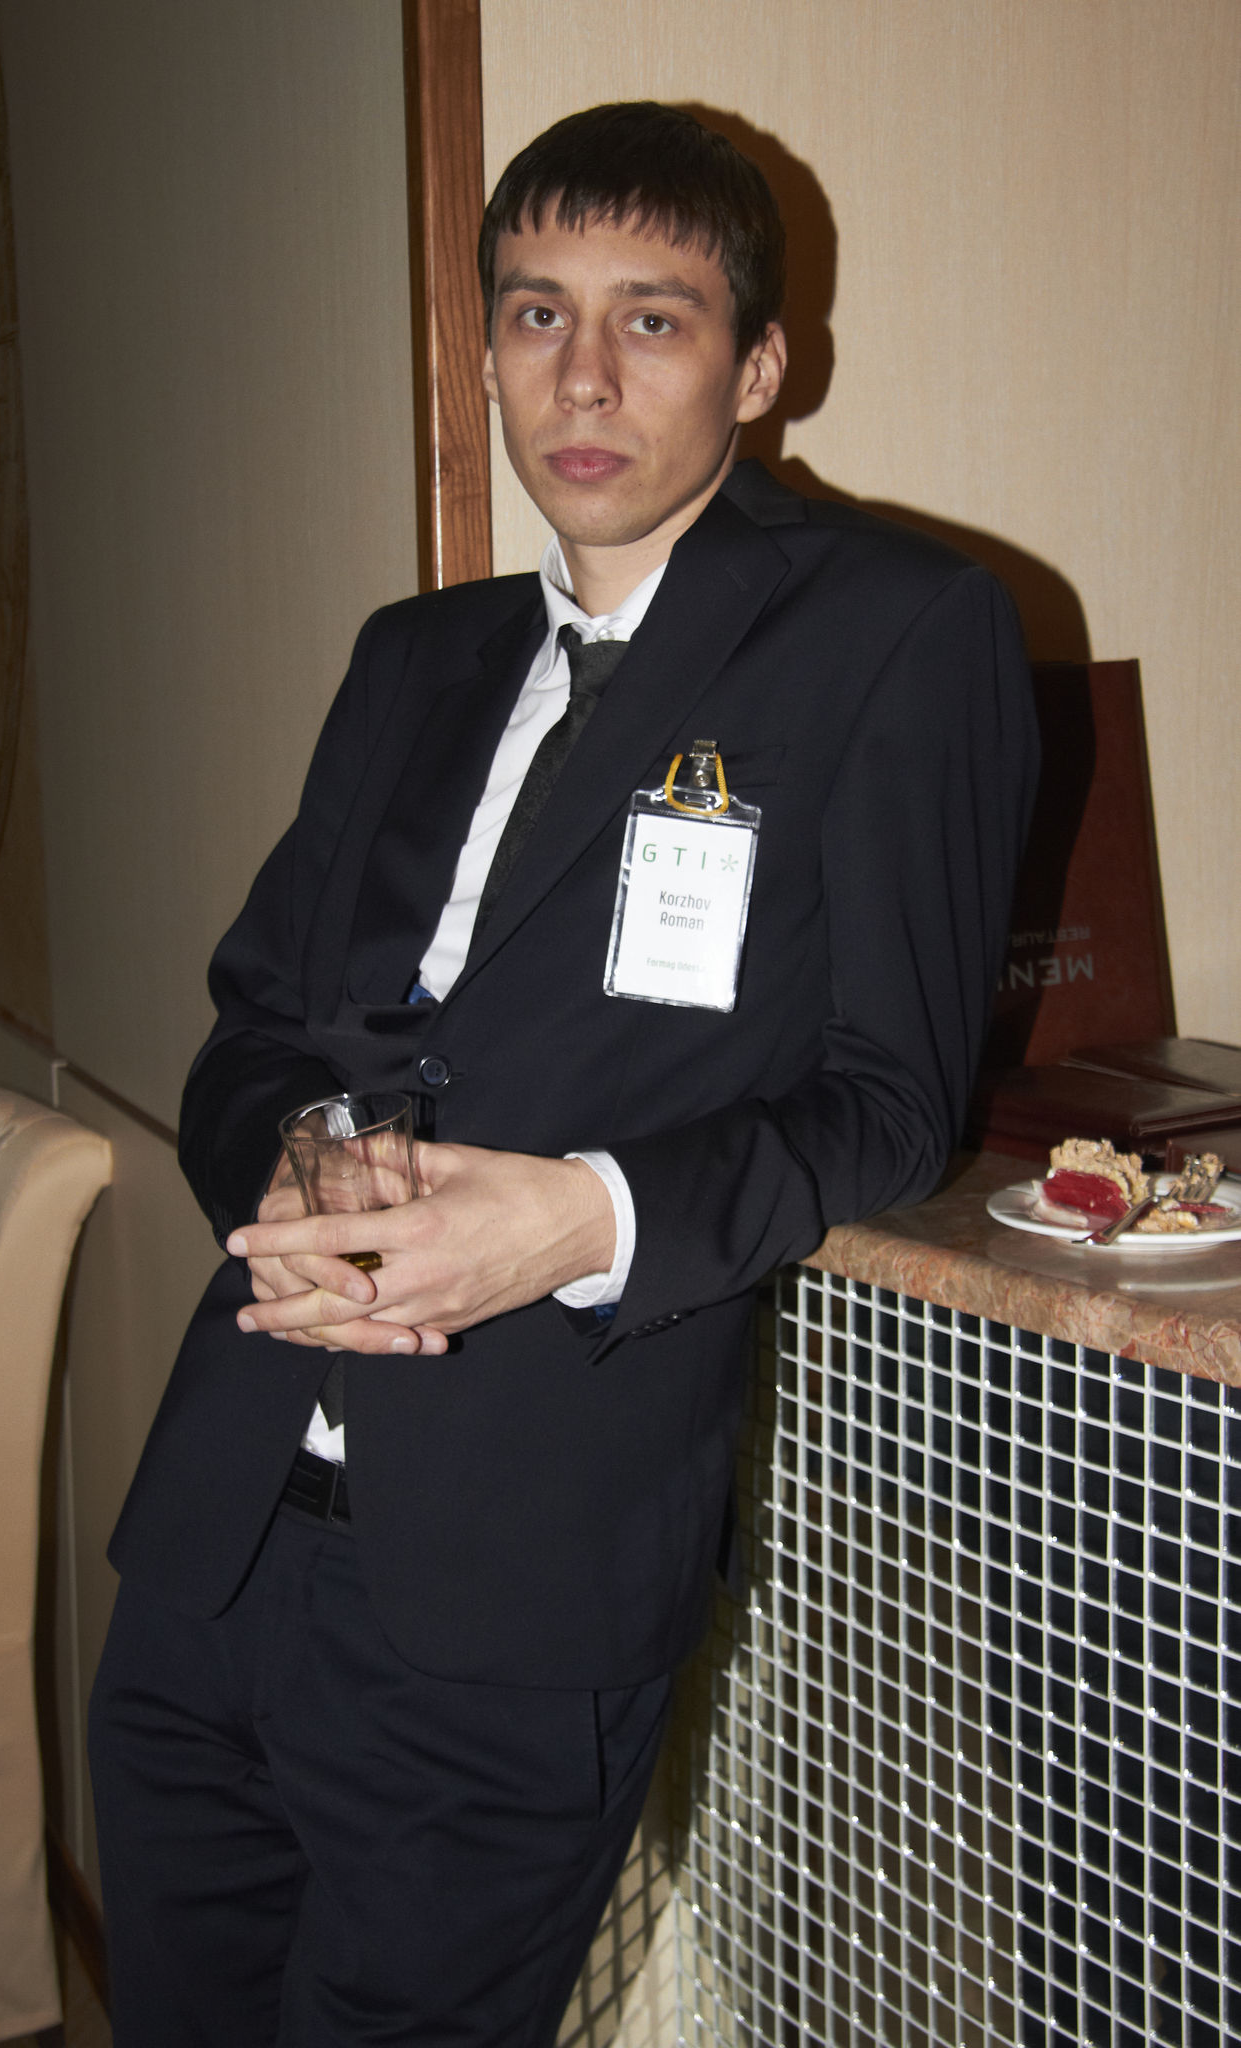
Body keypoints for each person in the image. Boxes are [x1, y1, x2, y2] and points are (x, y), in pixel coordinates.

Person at [90, 101, 1039, 2046]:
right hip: (217, 1536)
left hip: (514, 1583)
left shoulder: (895, 633)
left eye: (651, 319)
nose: (580, 376)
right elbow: (253, 1014)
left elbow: (886, 1102)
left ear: (758, 367)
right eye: (536, 313)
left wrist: (572, 1221)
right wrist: (284, 1164)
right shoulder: (412, 655)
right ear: (487, 349)